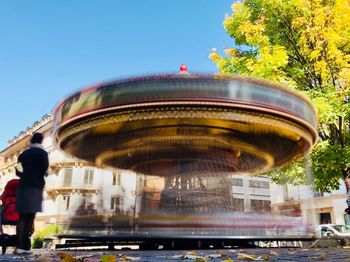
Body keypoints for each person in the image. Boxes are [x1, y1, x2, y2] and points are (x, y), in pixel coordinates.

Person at [14, 132, 49, 254]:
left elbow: (17, 172)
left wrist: (25, 175)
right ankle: (25, 247)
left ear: (31, 141)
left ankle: (19, 246)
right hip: (35, 187)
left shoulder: (23, 155)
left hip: (22, 186)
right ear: (41, 141)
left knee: (22, 217)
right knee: (30, 217)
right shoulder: (42, 154)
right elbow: (45, 169)